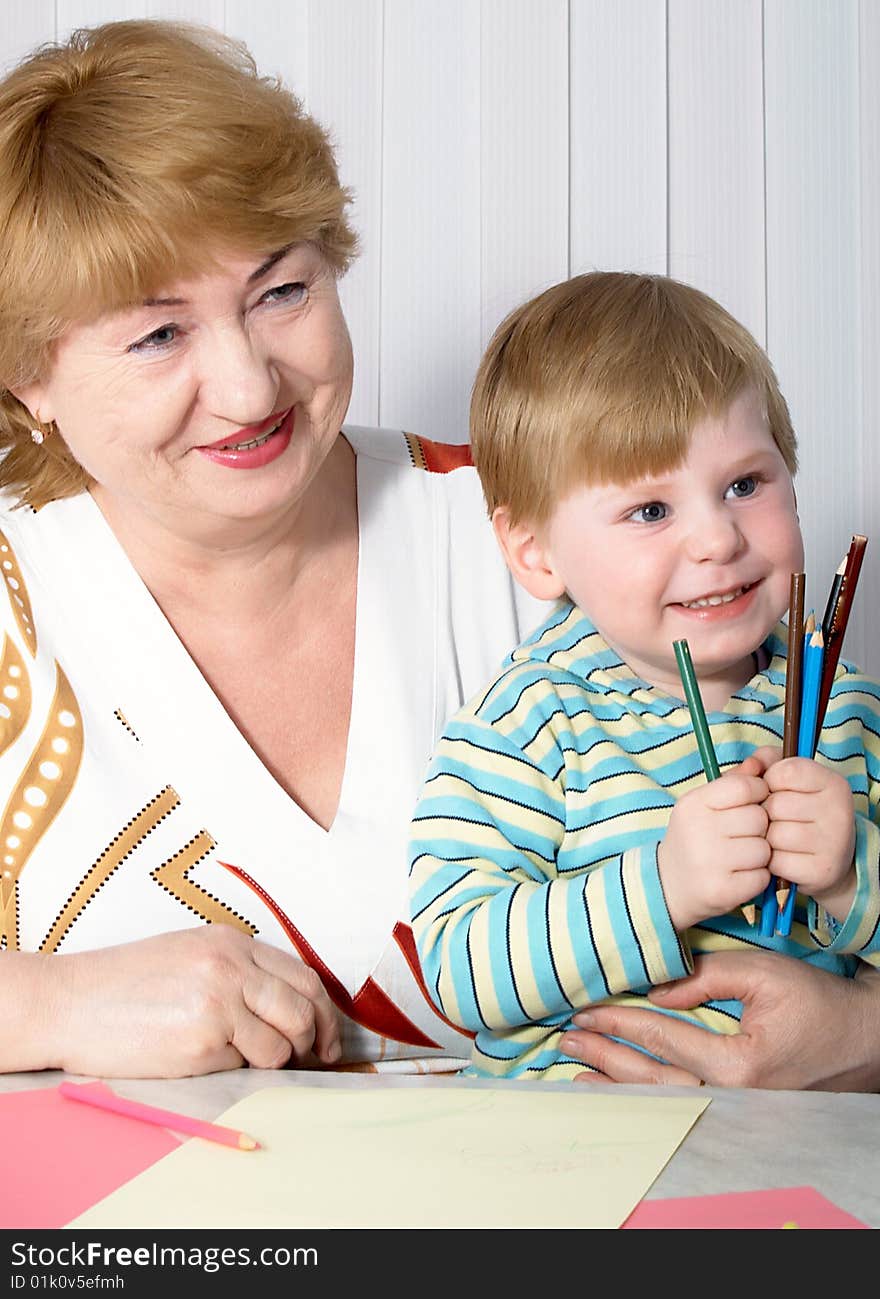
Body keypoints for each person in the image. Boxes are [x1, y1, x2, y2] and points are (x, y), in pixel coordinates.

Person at [1, 20, 878, 1093]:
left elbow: (821, 856)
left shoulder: (570, 535)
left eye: (283, 291)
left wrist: (854, 1038)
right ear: (26, 381)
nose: (247, 388)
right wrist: (49, 1004)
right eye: (157, 335)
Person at [408, 271, 880, 1082]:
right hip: (573, 1170)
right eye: (650, 510)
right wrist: (662, 887)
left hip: (801, 1156)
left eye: (744, 484)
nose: (717, 539)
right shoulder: (530, 723)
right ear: (535, 552)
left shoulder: (846, 709)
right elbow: (458, 967)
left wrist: (850, 876)